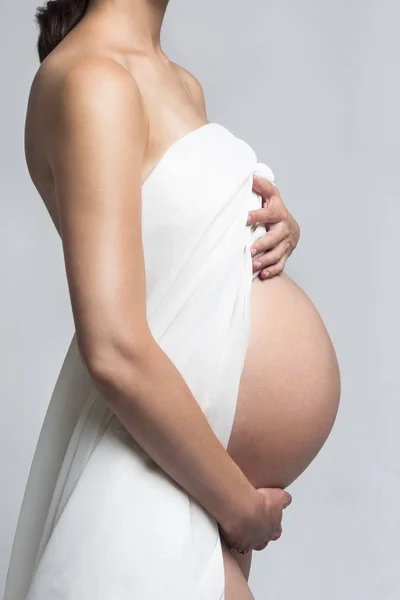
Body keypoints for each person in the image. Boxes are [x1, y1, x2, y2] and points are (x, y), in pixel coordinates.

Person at [4, 1, 342, 599]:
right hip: (154, 475)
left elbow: (177, 256)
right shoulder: (91, 78)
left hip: (187, 485)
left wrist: (271, 233)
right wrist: (239, 507)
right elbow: (112, 348)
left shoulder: (180, 84)